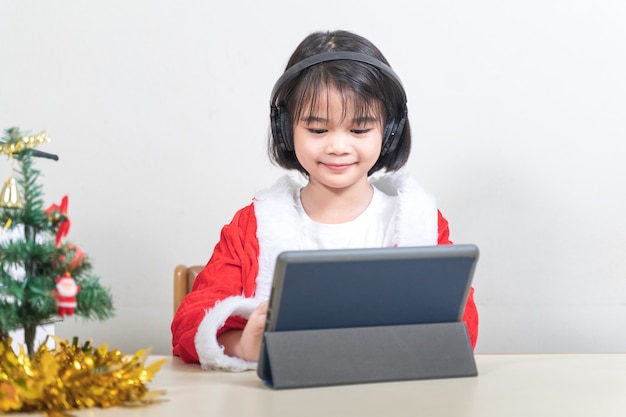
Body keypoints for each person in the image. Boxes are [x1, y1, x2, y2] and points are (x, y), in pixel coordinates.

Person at [171, 29, 478, 371]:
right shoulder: (252, 227)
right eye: (318, 130)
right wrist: (245, 345)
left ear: (389, 131)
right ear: (286, 129)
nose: (338, 146)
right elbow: (189, 324)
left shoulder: (419, 223)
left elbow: (461, 327)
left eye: (359, 130)